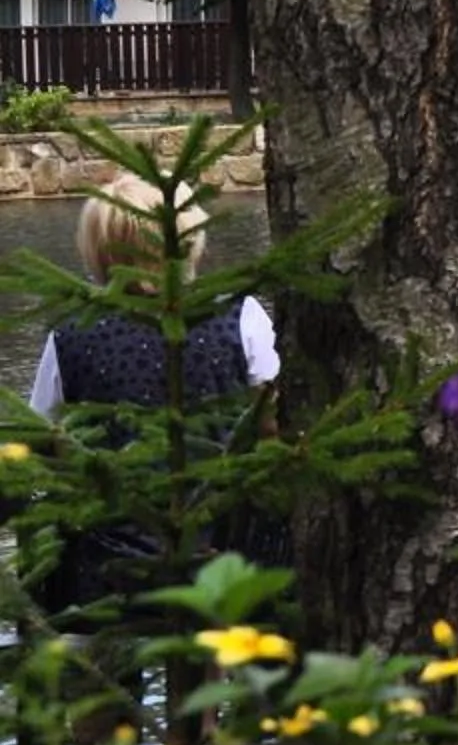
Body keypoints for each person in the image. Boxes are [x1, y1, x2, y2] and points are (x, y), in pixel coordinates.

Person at [22, 174, 281, 608]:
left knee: (101, 652)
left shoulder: (70, 334)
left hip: (108, 561)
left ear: (98, 250)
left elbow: (43, 439)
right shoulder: (240, 315)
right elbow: (272, 420)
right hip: (221, 548)